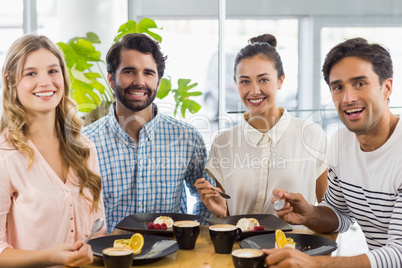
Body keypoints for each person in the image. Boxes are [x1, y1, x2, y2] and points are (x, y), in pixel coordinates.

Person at [266, 37, 402, 267]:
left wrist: (317, 264)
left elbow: (399, 252)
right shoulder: (341, 141)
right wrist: (309, 214)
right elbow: (340, 215)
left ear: (387, 87)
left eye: (360, 83)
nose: (348, 98)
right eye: (338, 87)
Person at [83, 33, 215, 233]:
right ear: (111, 79)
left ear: (158, 82)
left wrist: (191, 238)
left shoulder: (187, 138)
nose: (139, 81)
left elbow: (208, 201)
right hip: (109, 259)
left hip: (173, 258)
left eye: (148, 73)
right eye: (129, 71)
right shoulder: (85, 142)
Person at [0, 34, 107, 267]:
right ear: (10, 81)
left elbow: (98, 231)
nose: (46, 82)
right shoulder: (4, 155)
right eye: (31, 73)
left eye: (52, 71)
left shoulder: (84, 146)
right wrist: (51, 256)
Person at [195, 34, 328, 218]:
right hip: (240, 246)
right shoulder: (223, 143)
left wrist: (322, 246)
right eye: (245, 81)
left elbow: (330, 213)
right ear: (236, 84)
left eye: (263, 79)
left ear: (281, 80)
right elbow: (227, 214)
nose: (254, 91)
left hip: (296, 246)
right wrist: (221, 212)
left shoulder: (312, 135)